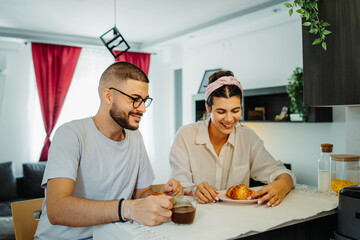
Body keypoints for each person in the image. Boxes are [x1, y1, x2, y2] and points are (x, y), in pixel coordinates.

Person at [35, 62, 183, 239]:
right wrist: (128, 209)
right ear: (108, 96)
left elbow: (142, 194)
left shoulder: (135, 138)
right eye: (135, 99)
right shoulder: (70, 134)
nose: (142, 108)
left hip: (113, 235)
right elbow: (57, 209)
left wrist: (160, 197)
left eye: (144, 100)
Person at [170, 70, 295, 207]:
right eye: (221, 111)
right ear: (208, 108)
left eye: (235, 111)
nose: (229, 119)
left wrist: (283, 184)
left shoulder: (247, 137)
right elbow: (179, 186)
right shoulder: (185, 135)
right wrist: (193, 190)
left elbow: (280, 171)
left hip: (237, 220)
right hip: (197, 217)